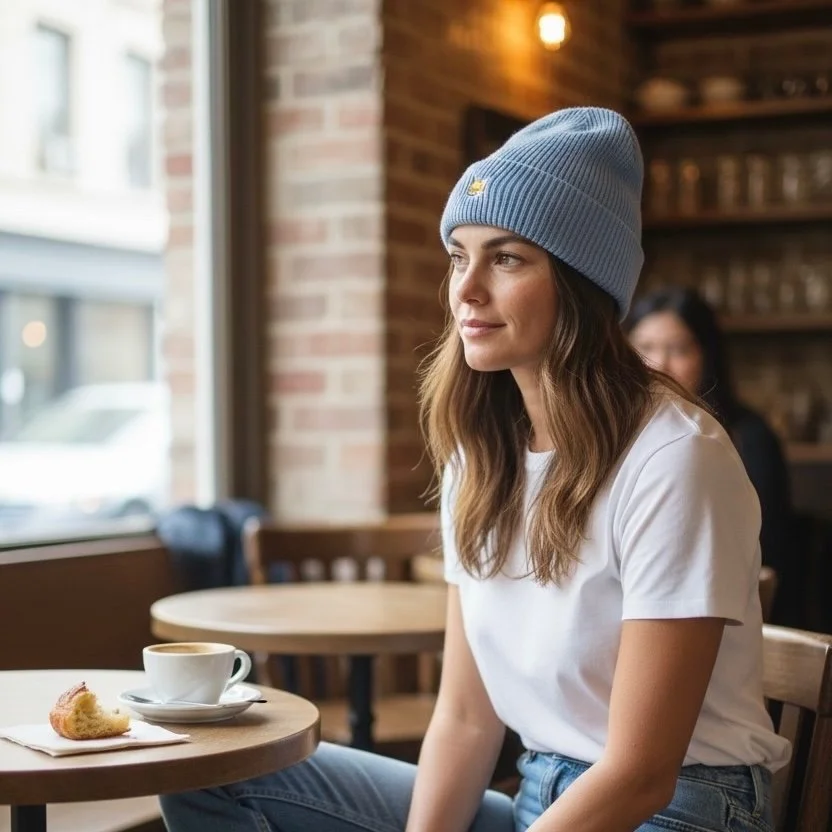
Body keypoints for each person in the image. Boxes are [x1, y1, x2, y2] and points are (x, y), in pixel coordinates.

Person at [160, 108, 791, 832]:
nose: (466, 289)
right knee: (216, 770)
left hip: (674, 808)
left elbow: (640, 775)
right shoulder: (480, 455)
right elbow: (464, 718)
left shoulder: (676, 458)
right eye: (459, 255)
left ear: (582, 282)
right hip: (540, 796)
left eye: (508, 258)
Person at [626, 287, 795, 622]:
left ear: (707, 355)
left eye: (678, 349)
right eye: (644, 348)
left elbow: (767, 554)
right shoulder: (620, 435)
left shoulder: (748, 437)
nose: (659, 363)